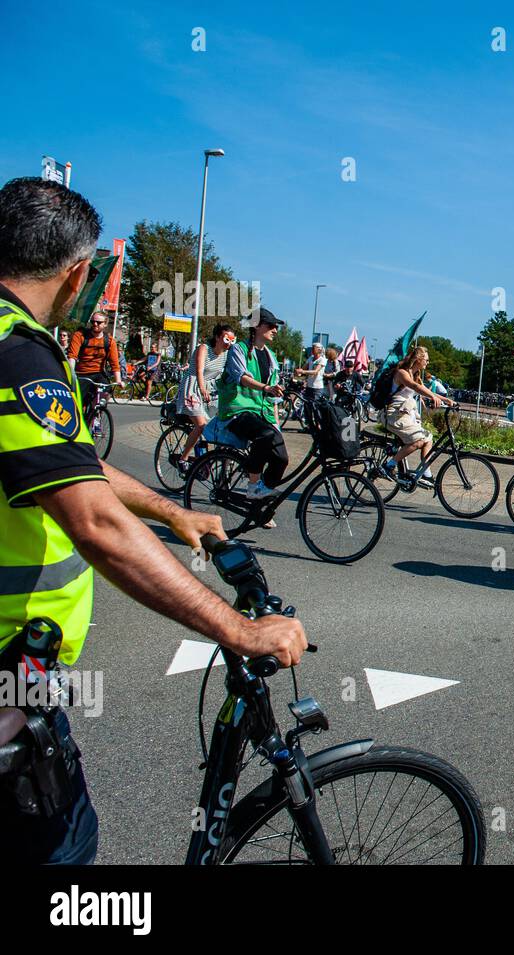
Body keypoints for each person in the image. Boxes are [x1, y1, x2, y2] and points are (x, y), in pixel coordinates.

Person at [0, 176, 306, 864]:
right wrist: (238, 628)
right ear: (78, 272)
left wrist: (175, 512)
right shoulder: (20, 355)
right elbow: (96, 523)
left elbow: (64, 463)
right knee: (67, 852)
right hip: (8, 679)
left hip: (21, 677)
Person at [219, 307, 289, 501]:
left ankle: (260, 501)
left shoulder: (271, 357)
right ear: (257, 326)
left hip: (262, 414)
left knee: (281, 458)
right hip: (238, 410)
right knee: (264, 435)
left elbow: (273, 396)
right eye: (272, 325)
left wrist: (276, 423)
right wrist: (266, 388)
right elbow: (241, 378)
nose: (275, 330)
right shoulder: (239, 349)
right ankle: (253, 486)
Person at [378, 346, 453, 481]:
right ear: (418, 359)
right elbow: (415, 387)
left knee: (428, 438)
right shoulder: (402, 373)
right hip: (394, 414)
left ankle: (426, 474)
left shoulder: (415, 375)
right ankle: (388, 466)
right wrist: (433, 398)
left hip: (405, 414)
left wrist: (445, 399)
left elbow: (423, 388)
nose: (428, 363)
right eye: (426, 360)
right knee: (418, 440)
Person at [172, 323, 236, 470]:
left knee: (220, 424)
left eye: (232, 341)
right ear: (218, 337)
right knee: (201, 425)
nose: (229, 344)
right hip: (193, 388)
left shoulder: (226, 354)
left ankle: (211, 458)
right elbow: (200, 371)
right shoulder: (204, 348)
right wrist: (201, 388)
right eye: (227, 340)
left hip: (209, 390)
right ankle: (183, 458)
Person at [68, 311, 123, 411]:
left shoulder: (109, 341)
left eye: (98, 322)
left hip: (99, 373)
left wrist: (118, 380)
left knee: (106, 392)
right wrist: (71, 375)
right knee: (78, 404)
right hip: (82, 374)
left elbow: (114, 363)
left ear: (105, 324)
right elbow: (72, 356)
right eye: (93, 321)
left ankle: (96, 413)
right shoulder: (80, 336)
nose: (95, 324)